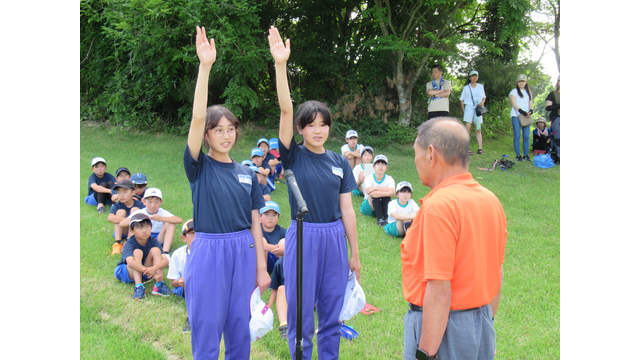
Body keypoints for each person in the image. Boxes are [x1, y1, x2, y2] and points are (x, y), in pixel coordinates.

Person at [270, 25, 361, 360]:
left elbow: (348, 210)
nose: (318, 130)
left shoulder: (340, 163)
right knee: (301, 311)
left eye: (323, 124)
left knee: (332, 310)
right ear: (300, 129)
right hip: (303, 236)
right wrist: (281, 65)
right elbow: (284, 109)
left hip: (335, 238)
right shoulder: (293, 154)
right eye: (311, 124)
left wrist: (354, 253)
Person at [183, 26, 270, 360]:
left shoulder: (248, 174)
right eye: (218, 129)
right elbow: (195, 117)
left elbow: (255, 225)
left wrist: (261, 268)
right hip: (208, 250)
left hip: (243, 251)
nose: (225, 134)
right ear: (206, 136)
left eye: (231, 129)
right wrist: (205, 67)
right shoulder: (199, 167)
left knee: (239, 330)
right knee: (206, 328)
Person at [402, 117, 507, 360]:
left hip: (444, 329)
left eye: (415, 154)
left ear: (431, 154)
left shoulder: (438, 206)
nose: (415, 161)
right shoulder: (490, 200)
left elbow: (439, 291)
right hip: (480, 321)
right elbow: (496, 273)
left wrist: (426, 352)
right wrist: (486, 328)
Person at [114, 212, 171, 300]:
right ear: (132, 231)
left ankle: (159, 285)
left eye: (147, 227)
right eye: (140, 228)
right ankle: (139, 287)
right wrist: (153, 274)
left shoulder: (153, 240)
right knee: (137, 252)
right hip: (126, 272)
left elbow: (166, 260)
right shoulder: (129, 243)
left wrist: (154, 269)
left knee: (156, 250)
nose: (144, 230)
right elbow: (130, 263)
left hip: (144, 271)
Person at [124, 188, 183, 254]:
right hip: (143, 237)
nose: (153, 205)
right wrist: (139, 218)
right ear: (144, 201)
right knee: (134, 225)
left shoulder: (162, 212)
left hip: (158, 238)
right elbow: (122, 223)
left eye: (156, 202)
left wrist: (160, 218)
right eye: (150, 202)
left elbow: (179, 220)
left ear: (161, 202)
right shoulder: (140, 212)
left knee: (171, 223)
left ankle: (165, 252)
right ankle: (130, 244)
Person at [167, 219, 195, 333]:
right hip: (183, 288)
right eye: (192, 234)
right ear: (184, 238)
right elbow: (173, 282)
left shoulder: (210, 252)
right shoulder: (178, 254)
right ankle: (191, 318)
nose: (196, 237)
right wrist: (179, 282)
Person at [108, 180, 144, 255]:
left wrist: (130, 221)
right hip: (122, 230)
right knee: (120, 212)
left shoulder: (139, 204)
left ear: (133, 192)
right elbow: (110, 218)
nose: (121, 195)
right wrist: (129, 220)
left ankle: (128, 241)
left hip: (134, 231)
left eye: (125, 192)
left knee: (135, 210)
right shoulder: (117, 205)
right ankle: (118, 243)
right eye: (118, 192)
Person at [360, 155, 396, 227]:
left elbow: (392, 192)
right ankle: (380, 219)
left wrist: (375, 189)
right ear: (373, 167)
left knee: (385, 196)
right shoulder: (369, 178)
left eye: (383, 164)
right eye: (378, 164)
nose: (380, 167)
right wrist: (385, 190)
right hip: (369, 206)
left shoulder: (389, 178)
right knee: (376, 196)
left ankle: (386, 218)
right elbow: (370, 192)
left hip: (382, 205)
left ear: (386, 168)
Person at [459, 70, 487, 155]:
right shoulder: (466, 88)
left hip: (478, 109)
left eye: (476, 76)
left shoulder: (480, 86)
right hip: (469, 108)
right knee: (467, 128)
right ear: (470, 78)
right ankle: (466, 148)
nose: (474, 78)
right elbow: (461, 100)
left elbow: (484, 97)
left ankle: (480, 148)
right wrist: (464, 110)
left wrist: (482, 103)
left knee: (478, 128)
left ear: (477, 77)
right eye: (473, 76)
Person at [509, 74, 534, 161]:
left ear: (526, 82)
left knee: (526, 136)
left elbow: (530, 103)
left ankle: (526, 155)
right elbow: (514, 103)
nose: (521, 83)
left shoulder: (528, 92)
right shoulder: (514, 91)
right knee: (517, 135)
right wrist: (523, 112)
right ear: (517, 82)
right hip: (516, 115)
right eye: (519, 81)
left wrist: (530, 111)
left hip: (526, 115)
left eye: (523, 81)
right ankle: (518, 155)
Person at [259, 201, 287, 273]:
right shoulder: (257, 230)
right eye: (267, 214)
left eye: (274, 215)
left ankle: (283, 272)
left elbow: (295, 240)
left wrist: (284, 249)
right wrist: (276, 249)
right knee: (262, 240)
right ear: (260, 217)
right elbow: (257, 245)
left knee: (283, 241)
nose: (270, 218)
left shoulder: (281, 230)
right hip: (260, 261)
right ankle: (262, 273)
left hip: (277, 260)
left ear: (278, 219)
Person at [267, 257, 288, 340]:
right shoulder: (280, 263)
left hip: (308, 298)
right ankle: (284, 326)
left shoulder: (310, 261)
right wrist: (269, 305)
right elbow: (274, 289)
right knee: (281, 288)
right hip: (288, 300)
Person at [545, 75, 560, 159]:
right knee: (558, 137)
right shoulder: (552, 94)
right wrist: (559, 106)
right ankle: (558, 155)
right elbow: (548, 107)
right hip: (557, 118)